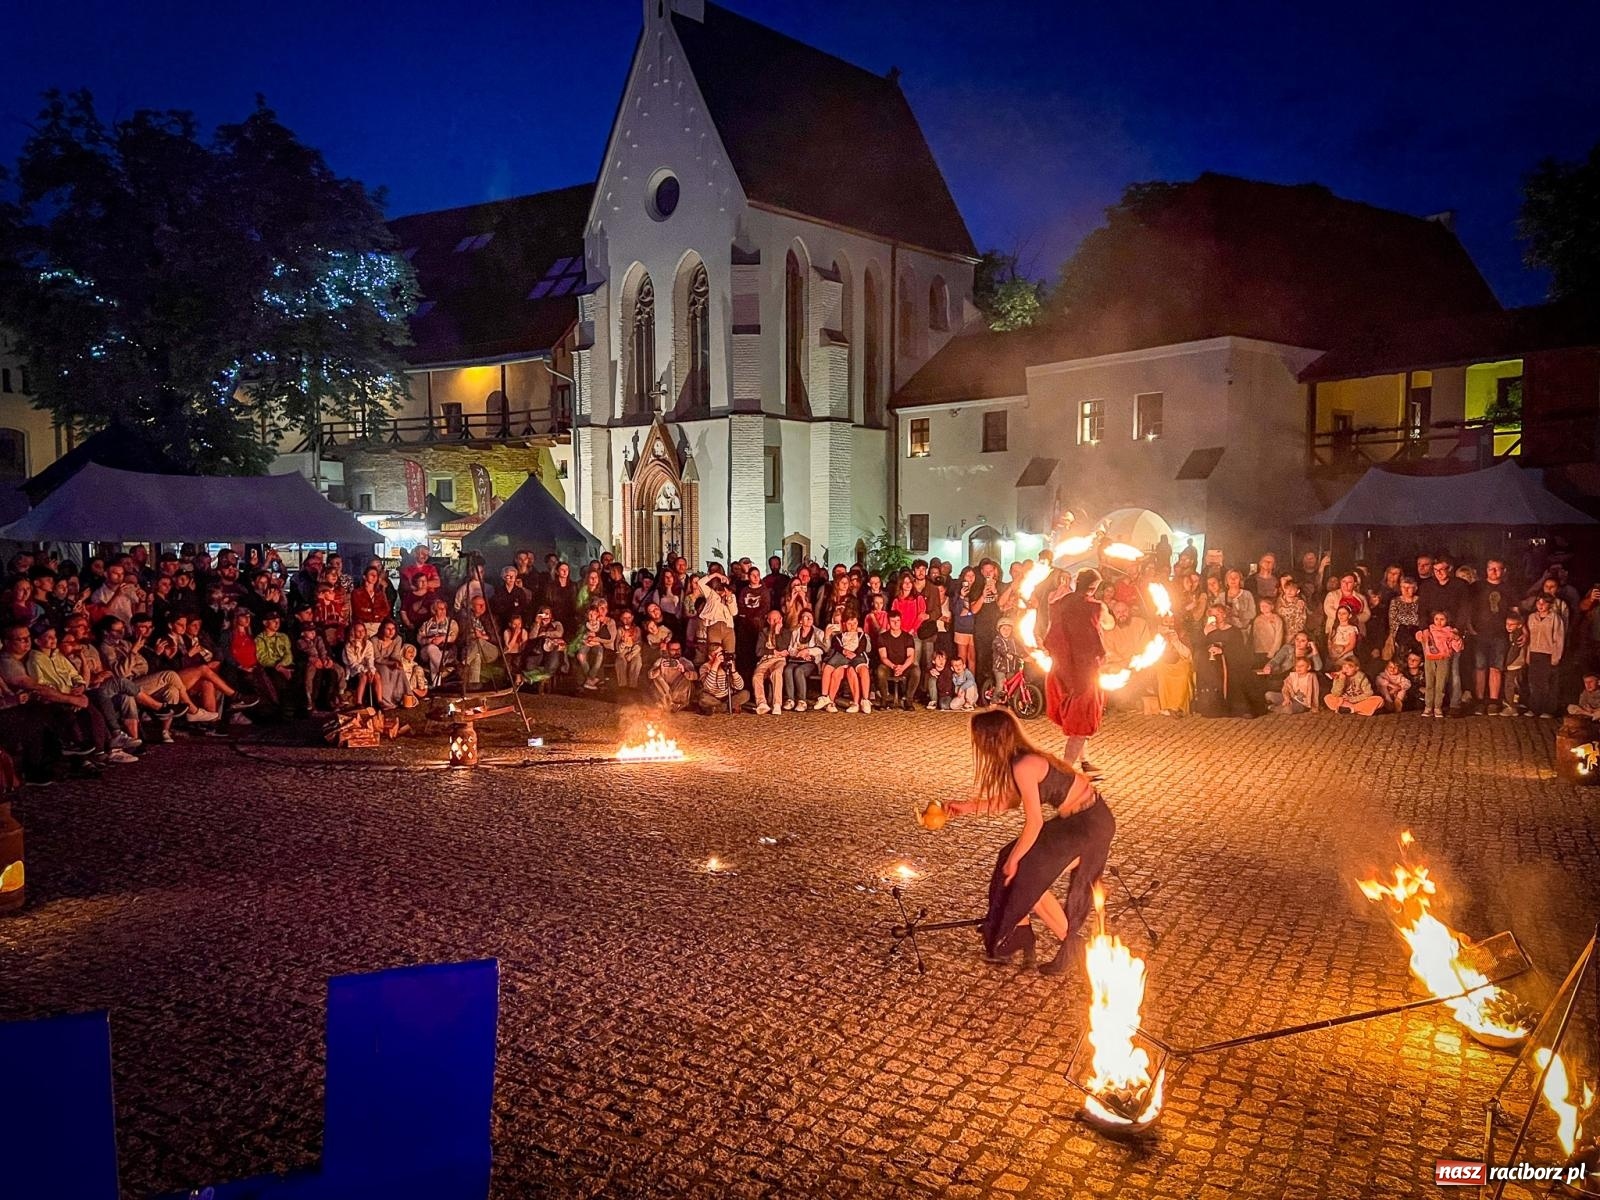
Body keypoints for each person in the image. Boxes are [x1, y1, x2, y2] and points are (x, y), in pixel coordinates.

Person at [942, 709, 1115, 977]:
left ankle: (1072, 944)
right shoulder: (1021, 759)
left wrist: (1015, 860)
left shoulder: (1024, 765)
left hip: (1090, 826)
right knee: (1010, 858)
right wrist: (964, 808)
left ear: (991, 740)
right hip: (1076, 822)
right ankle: (1019, 932)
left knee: (1025, 871)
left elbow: (1033, 822)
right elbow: (1008, 802)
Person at [1043, 568, 1109, 775]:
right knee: (1082, 721)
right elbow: (1108, 624)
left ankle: (1085, 761)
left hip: (1061, 670)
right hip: (1083, 674)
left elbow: (1052, 626)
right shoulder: (1096, 607)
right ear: (1092, 587)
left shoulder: (1061, 602)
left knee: (1079, 718)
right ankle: (1064, 772)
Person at [819, 611, 873, 713]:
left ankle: (862, 701)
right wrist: (827, 637)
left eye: (854, 623)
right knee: (836, 672)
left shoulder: (861, 635)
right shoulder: (837, 636)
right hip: (840, 659)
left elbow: (865, 647)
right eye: (849, 624)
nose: (852, 626)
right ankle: (829, 700)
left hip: (855, 659)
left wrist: (855, 653)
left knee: (858, 671)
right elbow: (832, 648)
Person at [1416, 610, 1465, 718]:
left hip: (1443, 660)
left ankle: (1438, 707)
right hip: (1430, 659)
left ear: (1447, 620)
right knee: (1429, 683)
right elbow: (1419, 637)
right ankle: (1428, 706)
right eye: (1436, 619)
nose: (1439, 622)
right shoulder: (1430, 630)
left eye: (1442, 619)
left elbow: (1457, 647)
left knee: (1440, 685)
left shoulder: (1449, 631)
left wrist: (1456, 638)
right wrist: (1421, 634)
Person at [1525, 595, 1566, 717]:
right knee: (1534, 682)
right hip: (1534, 652)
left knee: (1547, 683)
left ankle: (1548, 709)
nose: (1541, 605)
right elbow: (1528, 637)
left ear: (1550, 604)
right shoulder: (1531, 617)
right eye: (1538, 603)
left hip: (1548, 654)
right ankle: (1534, 708)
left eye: (1544, 603)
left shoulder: (1555, 618)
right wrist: (1527, 654)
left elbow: (1559, 638)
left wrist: (1556, 656)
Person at [874, 609, 922, 710]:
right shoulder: (882, 637)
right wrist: (893, 666)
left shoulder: (908, 637)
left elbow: (911, 656)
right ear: (888, 622)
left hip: (904, 666)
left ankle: (908, 700)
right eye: (893, 621)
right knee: (880, 670)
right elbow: (883, 657)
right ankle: (884, 699)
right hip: (889, 666)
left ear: (901, 621)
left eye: (898, 621)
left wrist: (902, 667)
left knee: (916, 671)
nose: (896, 623)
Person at [781, 610, 825, 710]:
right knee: (788, 670)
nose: (809, 619)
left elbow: (822, 649)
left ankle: (802, 700)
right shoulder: (796, 632)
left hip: (810, 661)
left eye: (811, 617)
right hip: (796, 659)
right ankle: (790, 699)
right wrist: (798, 653)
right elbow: (790, 648)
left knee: (799, 671)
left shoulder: (818, 632)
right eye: (806, 617)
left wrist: (808, 651)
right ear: (800, 620)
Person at [751, 609, 787, 715]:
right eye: (770, 620)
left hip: (779, 660)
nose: (773, 622)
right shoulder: (763, 632)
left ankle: (777, 704)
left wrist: (776, 632)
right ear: (767, 620)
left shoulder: (786, 632)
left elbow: (782, 647)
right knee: (757, 676)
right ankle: (761, 703)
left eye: (775, 619)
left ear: (780, 619)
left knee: (777, 673)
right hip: (765, 660)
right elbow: (758, 651)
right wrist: (773, 651)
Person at [696, 643, 749, 713]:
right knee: (703, 698)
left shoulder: (726, 665)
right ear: (710, 657)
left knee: (746, 694)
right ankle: (727, 707)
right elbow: (708, 687)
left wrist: (733, 670)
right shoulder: (705, 667)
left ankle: (720, 708)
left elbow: (739, 686)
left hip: (728, 696)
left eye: (721, 653)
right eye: (716, 654)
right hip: (713, 697)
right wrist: (715, 665)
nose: (720, 656)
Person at [343, 620, 383, 708]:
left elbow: (370, 658)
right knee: (363, 677)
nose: (361, 633)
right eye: (358, 631)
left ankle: (379, 701)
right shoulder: (349, 646)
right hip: (354, 669)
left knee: (376, 675)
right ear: (353, 632)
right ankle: (359, 702)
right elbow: (352, 663)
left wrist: (370, 670)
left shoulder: (368, 644)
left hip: (366, 667)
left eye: (363, 631)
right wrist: (365, 670)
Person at [649, 639, 697, 711]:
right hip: (665, 692)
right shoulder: (661, 661)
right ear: (668, 650)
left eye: (678, 649)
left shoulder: (685, 662)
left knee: (687, 679)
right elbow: (650, 675)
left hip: (678, 693)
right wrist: (659, 669)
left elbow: (695, 677)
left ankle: (676, 704)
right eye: (673, 650)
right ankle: (665, 703)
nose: (677, 652)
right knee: (656, 678)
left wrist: (684, 671)